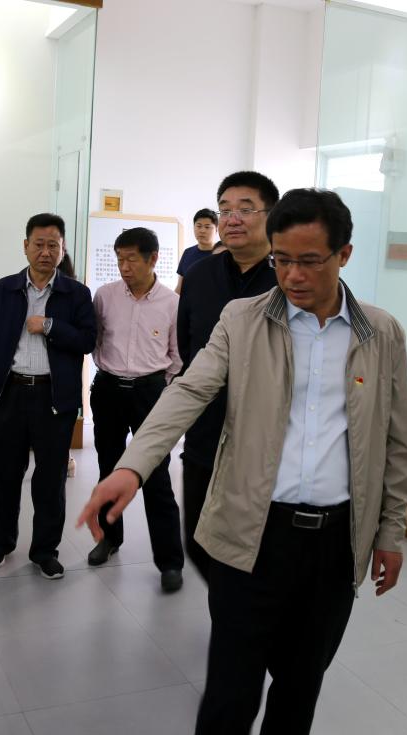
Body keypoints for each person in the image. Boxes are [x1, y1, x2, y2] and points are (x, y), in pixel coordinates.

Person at [78, 188, 407, 735]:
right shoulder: (242, 319)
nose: (292, 275)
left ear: (344, 254)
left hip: (334, 548)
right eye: (283, 259)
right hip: (249, 537)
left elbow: (397, 441)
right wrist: (132, 467)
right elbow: (188, 391)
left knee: (298, 694)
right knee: (230, 697)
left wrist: (390, 532)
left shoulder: (381, 333)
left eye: (309, 261)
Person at [0, 213, 95, 577]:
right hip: (9, 395)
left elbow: (87, 341)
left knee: (50, 481)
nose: (46, 252)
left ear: (63, 249)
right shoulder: (4, 289)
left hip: (53, 399)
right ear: (25, 246)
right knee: (5, 475)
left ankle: (45, 551)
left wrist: (49, 325)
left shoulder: (76, 293)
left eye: (53, 245)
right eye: (39, 244)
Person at [176, 171, 280, 580]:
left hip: (266, 438)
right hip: (206, 429)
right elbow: (188, 348)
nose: (232, 218)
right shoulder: (199, 276)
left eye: (245, 209)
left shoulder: (289, 279)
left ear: (271, 216)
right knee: (198, 541)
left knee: (258, 549)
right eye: (225, 210)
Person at [89, 227, 184, 591]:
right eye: (120, 259)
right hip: (109, 390)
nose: (124, 267)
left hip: (150, 393)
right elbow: (96, 340)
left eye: (131, 259)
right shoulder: (105, 296)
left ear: (153, 258)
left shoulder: (171, 303)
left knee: (156, 476)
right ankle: (109, 539)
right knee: (109, 468)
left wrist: (160, 389)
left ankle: (170, 561)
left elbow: (177, 356)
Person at [175, 207, 218, 294]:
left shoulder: (222, 254)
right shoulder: (187, 253)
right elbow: (180, 287)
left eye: (207, 227)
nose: (202, 230)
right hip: (188, 302)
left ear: (216, 229)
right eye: (199, 226)